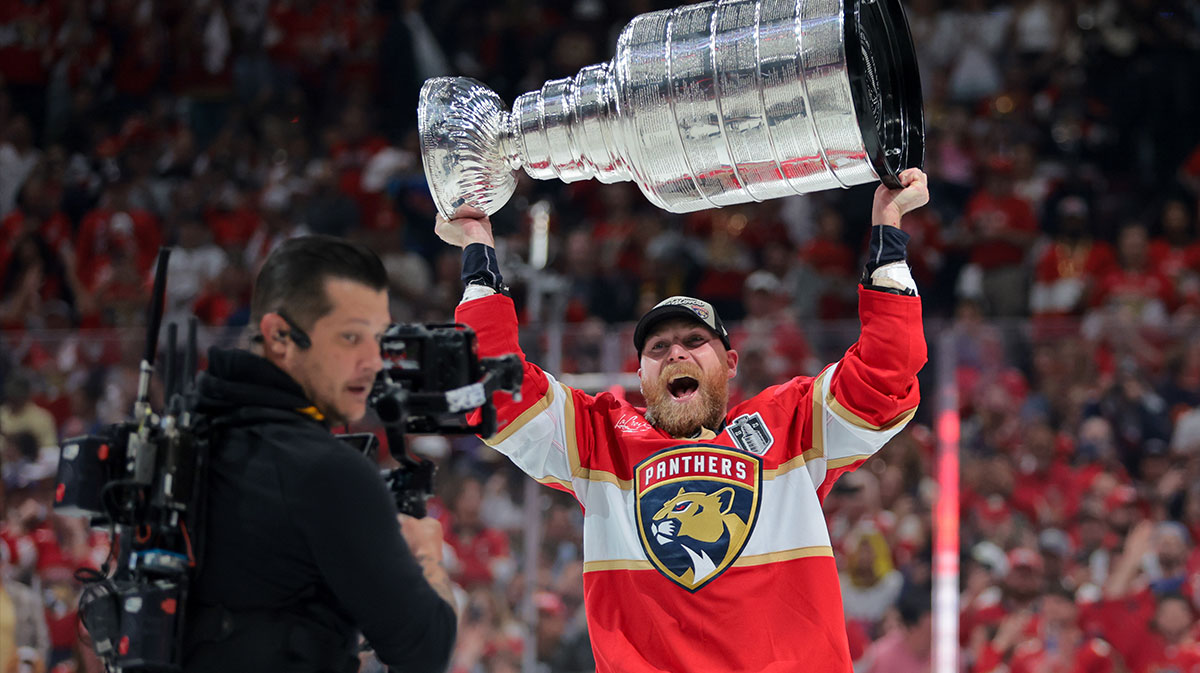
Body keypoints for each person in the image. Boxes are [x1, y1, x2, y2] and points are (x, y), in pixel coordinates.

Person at [435, 169, 931, 672]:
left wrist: (887, 233)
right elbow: (493, 389)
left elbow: (884, 379)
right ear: (641, 372)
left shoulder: (792, 425)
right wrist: (478, 253)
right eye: (658, 348)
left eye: (695, 342)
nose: (676, 353)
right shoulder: (599, 439)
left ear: (731, 365)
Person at [183, 235, 457, 673]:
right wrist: (427, 555)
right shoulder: (324, 472)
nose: (373, 361)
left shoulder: (192, 436)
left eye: (379, 339)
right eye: (350, 338)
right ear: (279, 337)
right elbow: (425, 647)